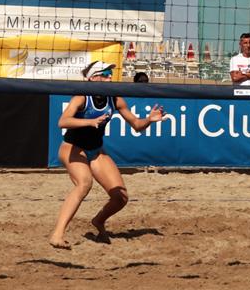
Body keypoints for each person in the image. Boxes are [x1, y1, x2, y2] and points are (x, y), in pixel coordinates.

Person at [49, 61, 165, 249]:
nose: (110, 77)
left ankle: (98, 221)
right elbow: (63, 121)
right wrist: (90, 122)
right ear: (93, 78)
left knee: (121, 198)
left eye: (110, 73)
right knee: (84, 183)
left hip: (96, 150)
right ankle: (57, 234)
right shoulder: (82, 96)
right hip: (72, 147)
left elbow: (136, 125)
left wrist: (149, 120)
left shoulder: (115, 98)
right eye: (105, 74)